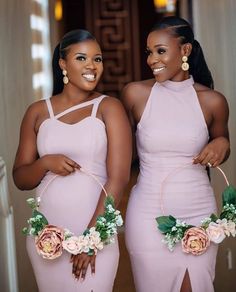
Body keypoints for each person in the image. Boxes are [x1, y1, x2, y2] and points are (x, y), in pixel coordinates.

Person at [13, 29, 132, 292]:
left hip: (95, 231)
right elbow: (20, 178)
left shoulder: (109, 107)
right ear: (63, 63)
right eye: (82, 58)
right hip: (47, 236)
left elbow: (119, 178)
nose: (92, 66)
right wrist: (45, 163)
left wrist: (92, 240)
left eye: (97, 59)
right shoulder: (37, 112)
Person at [122, 16, 230, 292]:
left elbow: (223, 142)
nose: (151, 60)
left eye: (160, 51)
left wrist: (221, 144)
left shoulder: (212, 101)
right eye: (149, 52)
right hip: (147, 214)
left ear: (185, 51)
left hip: (198, 211)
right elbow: (115, 153)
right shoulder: (135, 94)